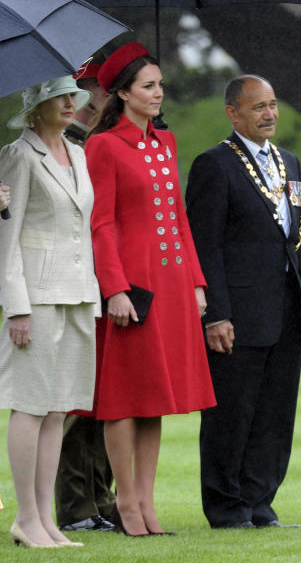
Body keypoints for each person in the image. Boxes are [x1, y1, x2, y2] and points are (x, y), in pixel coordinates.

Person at [85, 42, 216, 536]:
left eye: (160, 84)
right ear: (122, 93)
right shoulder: (103, 146)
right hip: (132, 283)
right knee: (123, 398)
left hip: (173, 282)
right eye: (148, 86)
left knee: (155, 397)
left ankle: (147, 503)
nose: (159, 93)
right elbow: (101, 225)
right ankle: (126, 506)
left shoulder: (166, 142)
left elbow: (178, 218)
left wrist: (197, 281)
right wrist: (115, 289)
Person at [186, 75, 301, 529]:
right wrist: (215, 313)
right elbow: (206, 246)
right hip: (237, 314)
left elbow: (300, 242)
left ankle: (260, 503)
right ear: (233, 113)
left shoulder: (290, 162)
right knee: (231, 415)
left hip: (285, 311)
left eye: (273, 105)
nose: (269, 114)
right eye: (258, 107)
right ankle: (226, 507)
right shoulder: (214, 165)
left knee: (275, 416)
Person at [0, 76, 101, 548]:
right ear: (35, 105)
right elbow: (7, 238)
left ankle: (45, 520)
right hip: (36, 298)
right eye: (58, 96)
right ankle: (24, 517)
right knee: (32, 405)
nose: (69, 103)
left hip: (78, 294)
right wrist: (16, 306)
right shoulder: (18, 156)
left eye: (72, 96)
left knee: (59, 409)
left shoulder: (78, 153)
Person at [54, 57, 117, 534]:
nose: (97, 100)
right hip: (70, 284)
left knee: (104, 401)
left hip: (104, 286)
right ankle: (75, 505)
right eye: (89, 89)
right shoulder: (65, 148)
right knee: (76, 406)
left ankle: (100, 498)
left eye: (103, 90)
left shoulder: (94, 145)